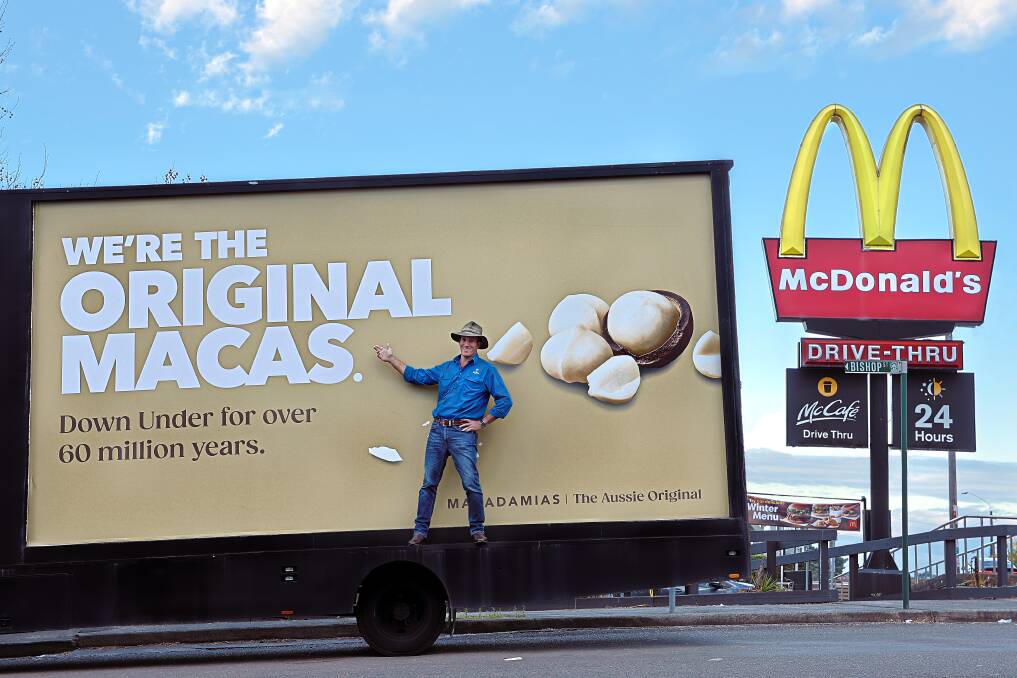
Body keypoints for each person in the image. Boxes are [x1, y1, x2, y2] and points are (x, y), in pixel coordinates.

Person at [373, 321, 512, 546]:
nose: (466, 343)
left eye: (471, 340)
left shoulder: (487, 371)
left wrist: (483, 423)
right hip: (438, 430)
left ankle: (477, 530)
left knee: (470, 484)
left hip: (463, 434)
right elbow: (416, 376)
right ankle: (420, 532)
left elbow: (505, 401)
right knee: (429, 483)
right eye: (463, 339)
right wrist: (390, 359)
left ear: (478, 344)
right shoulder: (447, 368)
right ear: (460, 342)